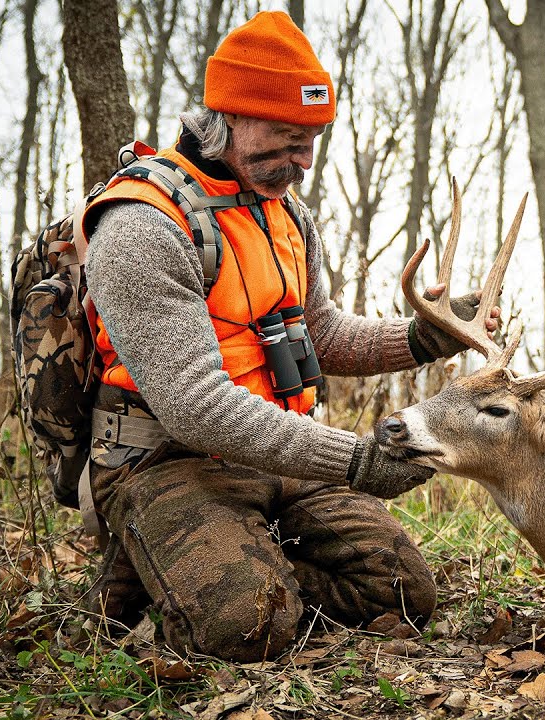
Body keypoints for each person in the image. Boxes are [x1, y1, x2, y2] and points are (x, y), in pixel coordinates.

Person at [79, 11, 495, 662]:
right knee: (247, 626)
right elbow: (195, 407)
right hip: (168, 463)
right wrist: (356, 462)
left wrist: (424, 338)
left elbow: (320, 332)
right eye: (286, 138)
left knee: (403, 593)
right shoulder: (142, 226)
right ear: (229, 117)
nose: (302, 162)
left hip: (277, 457)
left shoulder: (287, 214)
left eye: (312, 141)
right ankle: (153, 569)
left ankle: (242, 564)